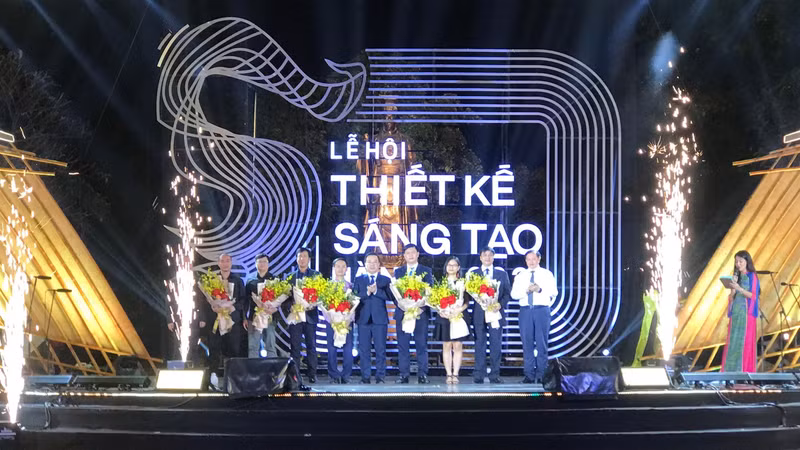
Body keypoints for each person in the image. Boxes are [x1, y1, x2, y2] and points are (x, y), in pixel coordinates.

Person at [511, 250, 558, 383]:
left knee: (542, 343)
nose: (531, 262)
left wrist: (540, 290)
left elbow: (554, 292)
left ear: (538, 259)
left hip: (541, 310)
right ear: (525, 261)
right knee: (527, 344)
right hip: (526, 311)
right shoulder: (521, 275)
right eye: (528, 259)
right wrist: (526, 291)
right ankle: (529, 375)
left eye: (533, 259)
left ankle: (542, 375)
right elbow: (514, 294)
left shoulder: (546, 274)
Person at [467, 247, 511, 384]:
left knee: (495, 344)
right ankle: (478, 375)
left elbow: (507, 294)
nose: (487, 258)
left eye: (490, 255)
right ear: (480, 257)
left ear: (493, 257)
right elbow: (468, 293)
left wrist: (500, 304)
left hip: (495, 313)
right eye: (484, 255)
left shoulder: (501, 274)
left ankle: (494, 375)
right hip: (479, 314)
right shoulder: (473, 274)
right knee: (479, 344)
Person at [392, 244, 435, 384]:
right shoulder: (398, 272)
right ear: (404, 256)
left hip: (420, 313)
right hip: (403, 313)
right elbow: (394, 293)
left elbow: (430, 291)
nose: (410, 255)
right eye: (407, 253)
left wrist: (420, 306)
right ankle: (404, 374)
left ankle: (423, 375)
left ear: (417, 254)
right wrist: (402, 305)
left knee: (421, 345)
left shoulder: (426, 271)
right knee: (403, 345)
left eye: (413, 252)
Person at [200, 253, 245, 377]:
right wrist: (214, 307)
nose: (225, 263)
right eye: (222, 261)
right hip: (216, 320)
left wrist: (232, 307)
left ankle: (233, 378)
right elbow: (204, 301)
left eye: (227, 261)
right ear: (219, 263)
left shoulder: (238, 281)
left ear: (231, 263)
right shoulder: (212, 281)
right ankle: (213, 376)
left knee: (234, 350)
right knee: (214, 349)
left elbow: (242, 301)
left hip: (232, 321)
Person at [284, 247, 322, 383]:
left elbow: (321, 294)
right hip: (296, 316)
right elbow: (285, 298)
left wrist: (314, 303)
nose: (302, 259)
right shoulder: (291, 277)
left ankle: (312, 374)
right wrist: (292, 306)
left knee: (311, 346)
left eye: (304, 256)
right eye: (299, 256)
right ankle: (296, 376)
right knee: (295, 347)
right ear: (296, 259)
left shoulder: (316, 275)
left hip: (310, 315)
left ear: (309, 259)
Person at [353, 253, 391, 384]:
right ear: (365, 264)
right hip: (363, 319)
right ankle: (365, 377)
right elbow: (354, 297)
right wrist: (367, 293)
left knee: (380, 350)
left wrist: (376, 292)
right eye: (369, 262)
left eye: (375, 262)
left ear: (379, 265)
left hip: (380, 320)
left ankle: (380, 377)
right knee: (364, 350)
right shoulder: (359, 279)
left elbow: (390, 297)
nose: (372, 264)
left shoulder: (385, 279)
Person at [433, 256, 472, 384]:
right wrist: (441, 311)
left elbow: (467, 301)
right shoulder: (440, 283)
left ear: (458, 267)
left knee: (458, 345)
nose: (451, 267)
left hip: (459, 316)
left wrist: (459, 310)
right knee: (446, 345)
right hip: (444, 317)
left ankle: (456, 374)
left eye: (454, 265)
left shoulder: (463, 283)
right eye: (449, 265)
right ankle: (448, 374)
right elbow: (435, 301)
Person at [721, 250, 760, 372]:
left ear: (747, 262)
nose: (738, 264)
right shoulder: (735, 277)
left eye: (740, 261)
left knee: (745, 345)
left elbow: (753, 295)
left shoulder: (752, 276)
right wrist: (732, 292)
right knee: (734, 345)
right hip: (736, 314)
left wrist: (739, 289)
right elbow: (732, 298)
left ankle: (744, 374)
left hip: (747, 314)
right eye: (736, 262)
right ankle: (731, 375)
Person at [243, 253, 278, 358]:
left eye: (264, 262)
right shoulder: (250, 280)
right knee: (253, 346)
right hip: (254, 317)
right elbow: (246, 301)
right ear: (255, 264)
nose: (262, 264)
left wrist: (274, 309)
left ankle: (272, 372)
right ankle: (253, 372)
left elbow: (280, 299)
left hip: (270, 317)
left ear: (268, 264)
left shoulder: (274, 280)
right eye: (259, 262)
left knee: (270, 346)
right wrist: (245, 317)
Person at [326, 258, 354, 384]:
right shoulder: (327, 286)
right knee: (332, 348)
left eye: (343, 266)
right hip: (332, 322)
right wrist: (331, 319)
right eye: (338, 266)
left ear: (347, 269)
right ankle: (333, 375)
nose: (341, 269)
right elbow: (324, 305)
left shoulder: (351, 286)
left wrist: (348, 319)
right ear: (334, 268)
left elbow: (354, 305)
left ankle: (346, 375)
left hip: (347, 322)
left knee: (348, 349)